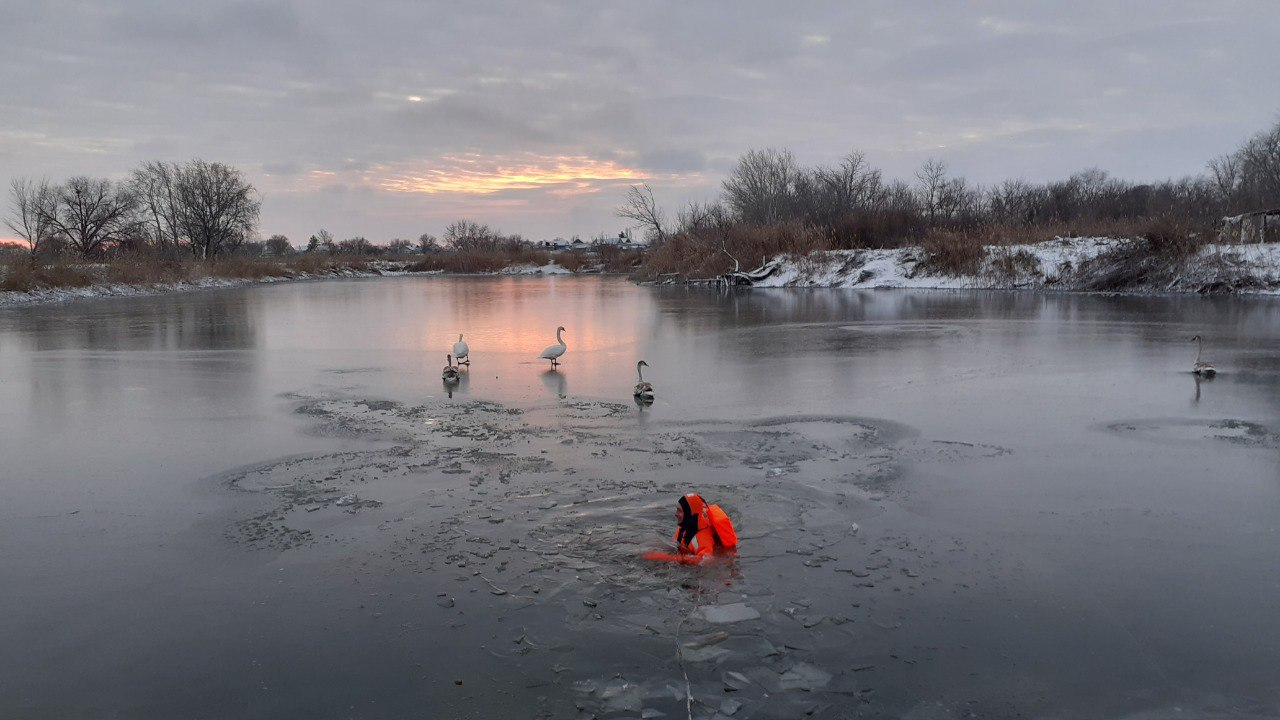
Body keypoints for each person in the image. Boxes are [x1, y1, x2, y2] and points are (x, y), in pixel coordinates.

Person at [645, 492, 738, 563]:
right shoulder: (685, 524)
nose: (675, 514)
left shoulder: (702, 539)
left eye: (680, 511)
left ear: (690, 514)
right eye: (677, 509)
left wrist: (674, 559)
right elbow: (674, 543)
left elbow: (707, 561)